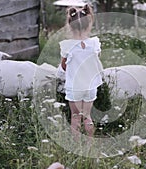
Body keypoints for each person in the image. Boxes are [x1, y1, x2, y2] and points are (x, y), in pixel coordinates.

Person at [59, 4, 103, 142]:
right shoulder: (94, 43)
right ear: (88, 24)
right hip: (90, 86)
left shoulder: (67, 45)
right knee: (87, 116)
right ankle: (90, 144)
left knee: (75, 116)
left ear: (70, 26)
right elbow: (96, 60)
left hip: (74, 86)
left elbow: (63, 65)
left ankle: (76, 145)